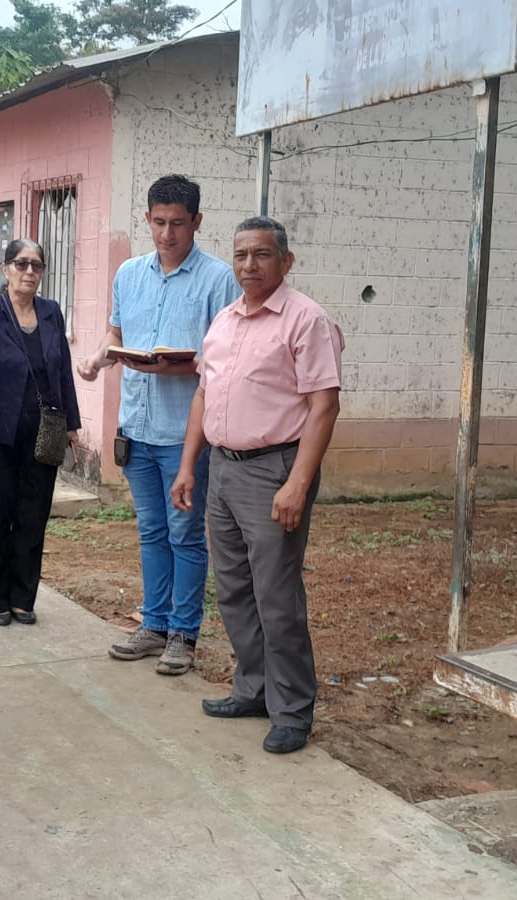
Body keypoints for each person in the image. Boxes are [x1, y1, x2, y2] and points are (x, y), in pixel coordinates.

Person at [169, 217, 343, 755]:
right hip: (223, 468)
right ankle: (253, 689)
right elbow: (203, 395)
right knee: (234, 588)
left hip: (274, 471)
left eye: (262, 254)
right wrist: (187, 466)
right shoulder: (225, 320)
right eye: (241, 254)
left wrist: (297, 483)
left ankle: (291, 711)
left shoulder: (306, 320)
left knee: (276, 595)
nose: (249, 265)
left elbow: (324, 406)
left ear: (285, 261)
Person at [77, 174, 238, 676]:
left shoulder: (218, 279)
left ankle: (184, 634)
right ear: (147, 218)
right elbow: (116, 332)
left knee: (184, 533)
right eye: (159, 222)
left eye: (178, 224)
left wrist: (180, 366)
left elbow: (227, 356)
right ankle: (154, 624)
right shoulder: (129, 273)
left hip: (184, 434)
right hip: (137, 427)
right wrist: (99, 357)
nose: (167, 234)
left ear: (197, 222)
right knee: (150, 531)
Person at [0, 239, 81, 626]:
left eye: (36, 265)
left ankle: (22, 598)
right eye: (21, 263)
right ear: (6, 268)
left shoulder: (51, 312)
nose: (29, 271)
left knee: (33, 515)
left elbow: (62, 370)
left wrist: (71, 424)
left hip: (43, 432)